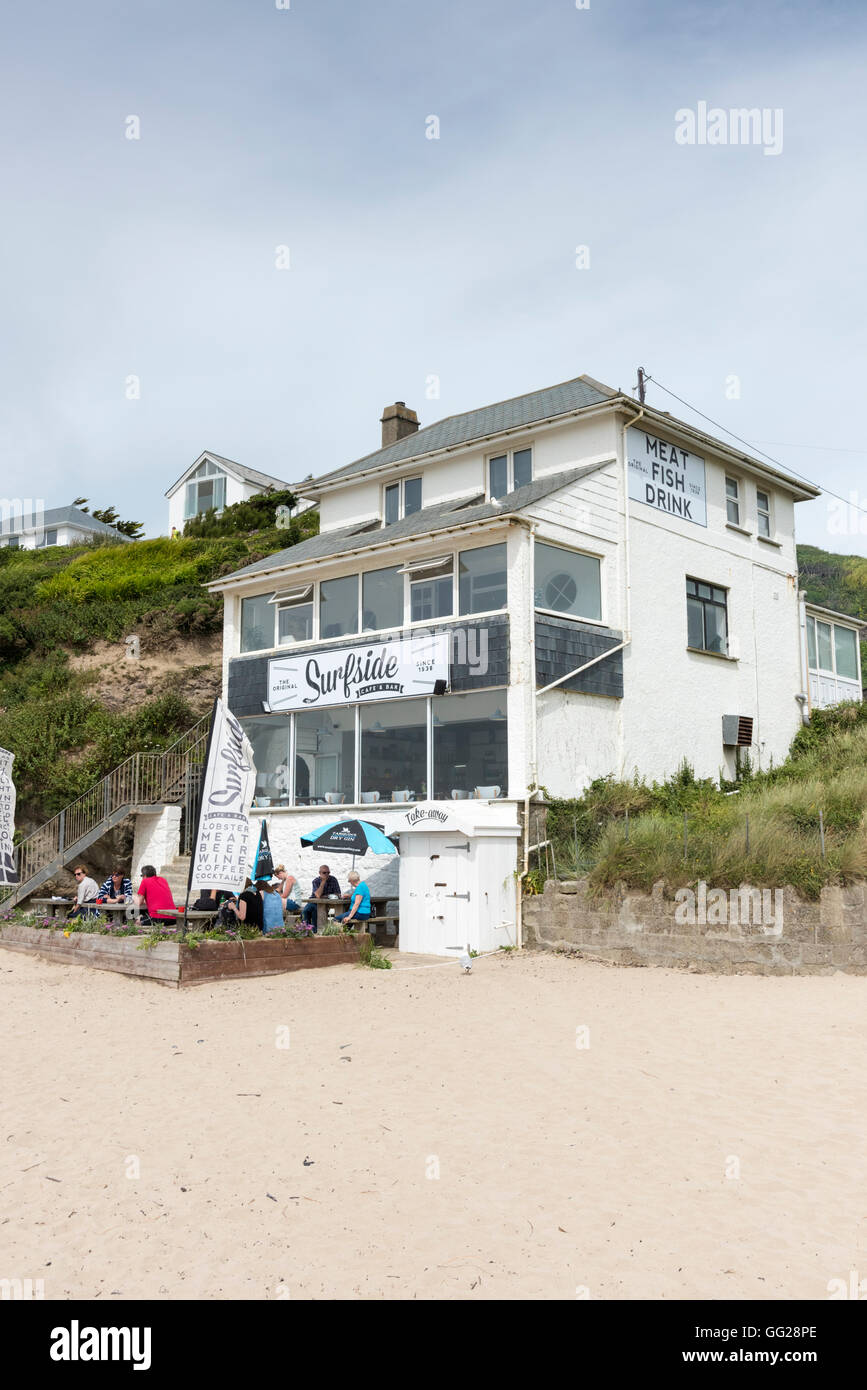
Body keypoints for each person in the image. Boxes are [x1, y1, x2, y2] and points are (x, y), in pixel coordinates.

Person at [302, 864, 341, 931]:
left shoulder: (333, 880)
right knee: (305, 911)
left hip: (330, 904)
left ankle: (315, 930)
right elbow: (317, 895)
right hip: (314, 902)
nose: (326, 874)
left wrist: (325, 896)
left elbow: (338, 894)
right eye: (324, 872)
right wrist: (323, 882)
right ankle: (306, 929)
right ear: (319, 873)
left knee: (316, 911)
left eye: (328, 872)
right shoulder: (316, 881)